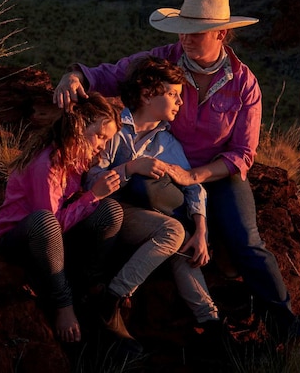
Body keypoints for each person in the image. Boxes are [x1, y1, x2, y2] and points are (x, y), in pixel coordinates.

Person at [54, 0, 300, 340]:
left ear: (221, 34)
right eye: (182, 30)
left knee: (248, 240)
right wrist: (74, 77)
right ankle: (192, 251)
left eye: (195, 32)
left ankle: (282, 317)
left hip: (216, 173)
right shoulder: (163, 64)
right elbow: (113, 74)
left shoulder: (244, 83)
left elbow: (243, 153)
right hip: (166, 169)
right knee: (145, 187)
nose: (185, 38)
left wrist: (196, 175)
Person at [85, 56, 224, 342]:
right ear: (148, 95)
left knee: (183, 241)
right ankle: (113, 298)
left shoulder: (167, 142)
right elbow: (90, 178)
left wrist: (201, 232)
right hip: (111, 214)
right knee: (173, 231)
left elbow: (194, 188)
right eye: (172, 94)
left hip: (147, 219)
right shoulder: (113, 129)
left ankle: (211, 324)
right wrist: (130, 168)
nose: (180, 102)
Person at [0, 92, 123, 345]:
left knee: (111, 211)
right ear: (79, 126)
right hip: (21, 238)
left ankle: (89, 287)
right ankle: (63, 303)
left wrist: (96, 197)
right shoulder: (48, 163)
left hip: (54, 238)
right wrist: (93, 196)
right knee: (45, 221)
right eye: (100, 136)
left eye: (107, 140)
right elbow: (53, 224)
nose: (102, 146)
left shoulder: (76, 160)